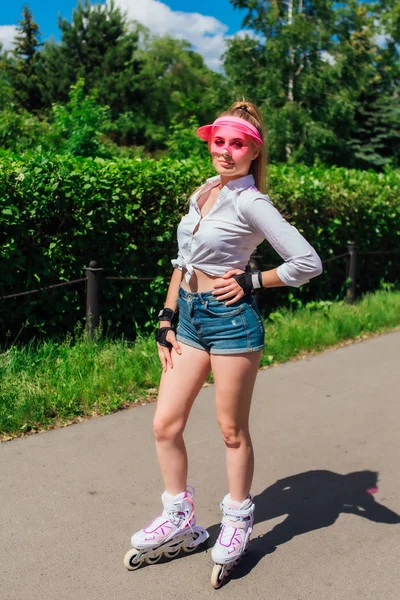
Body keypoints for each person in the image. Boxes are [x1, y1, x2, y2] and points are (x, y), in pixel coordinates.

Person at [123, 101, 323, 586]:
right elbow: (183, 261)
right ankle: (180, 518)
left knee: (231, 430)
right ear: (210, 143)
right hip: (188, 320)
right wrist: (166, 316)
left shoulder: (252, 202)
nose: (226, 152)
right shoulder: (206, 190)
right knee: (165, 424)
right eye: (219, 142)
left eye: (238, 144)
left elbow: (307, 262)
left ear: (254, 152)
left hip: (232, 322)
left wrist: (254, 281)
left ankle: (237, 519)